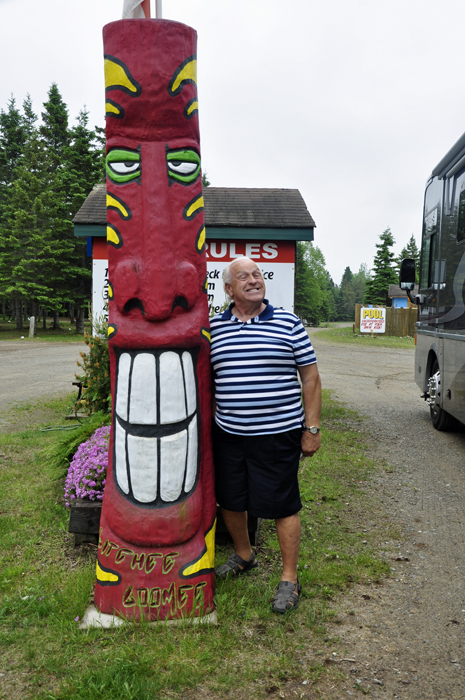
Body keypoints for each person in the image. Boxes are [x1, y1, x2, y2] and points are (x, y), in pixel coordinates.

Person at [210, 256, 321, 613]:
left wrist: (312, 428)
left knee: (282, 505)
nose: (253, 280)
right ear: (229, 288)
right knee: (230, 500)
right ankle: (244, 555)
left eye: (257, 274)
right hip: (228, 434)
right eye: (243, 276)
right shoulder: (214, 329)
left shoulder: (288, 323)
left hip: (277, 434)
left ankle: (289, 578)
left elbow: (311, 378)